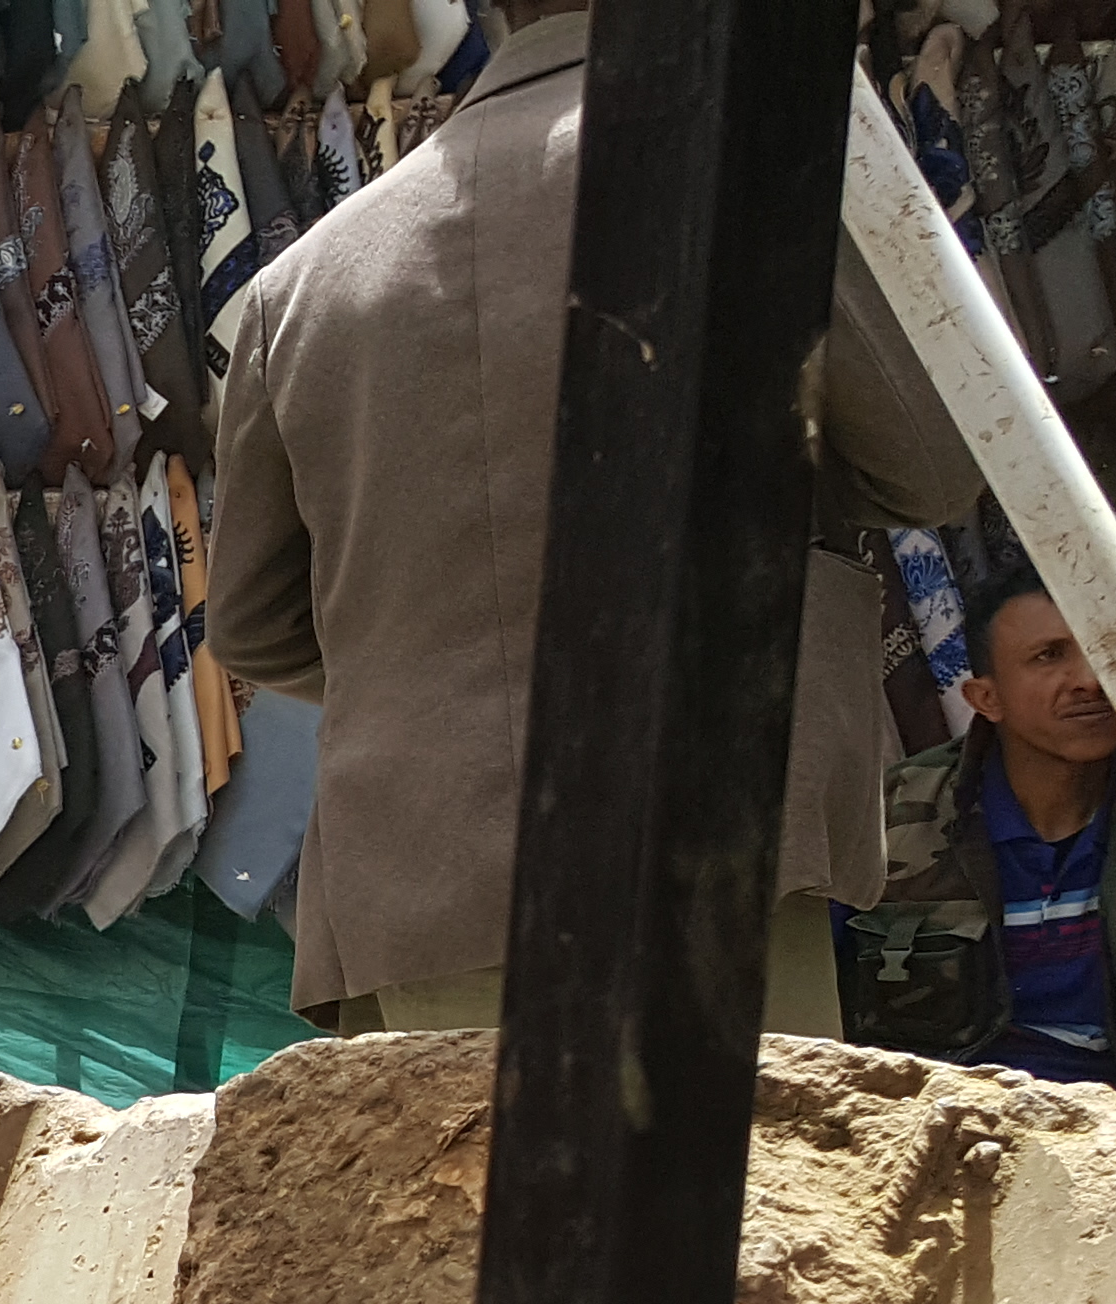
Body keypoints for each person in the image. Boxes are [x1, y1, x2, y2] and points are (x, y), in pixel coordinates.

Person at [202, 0, 981, 1033]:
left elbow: (251, 625)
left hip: (425, 879)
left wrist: (422, 661)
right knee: (745, 1145)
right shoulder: (751, 167)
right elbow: (934, 466)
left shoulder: (299, 289)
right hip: (706, 828)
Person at [840, 577, 1116, 1108]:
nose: (1091, 680)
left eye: (1103, 649)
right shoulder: (890, 819)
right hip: (945, 1123)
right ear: (986, 698)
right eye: (1049, 656)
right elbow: (809, 1011)